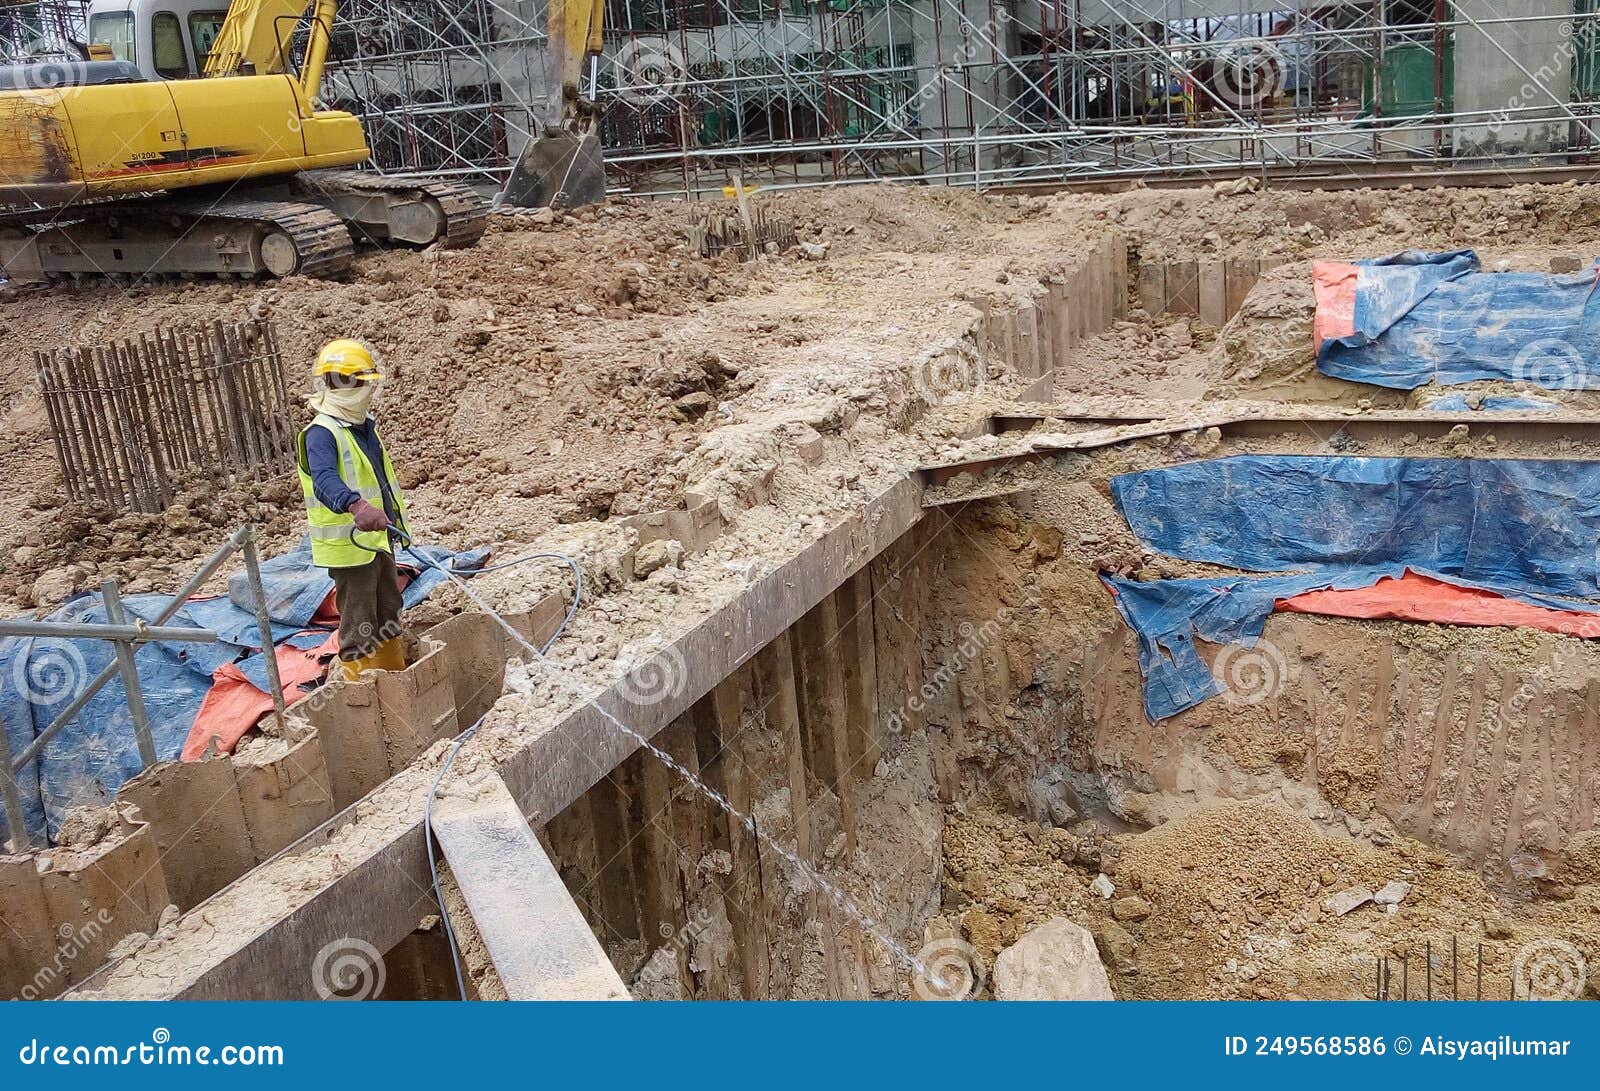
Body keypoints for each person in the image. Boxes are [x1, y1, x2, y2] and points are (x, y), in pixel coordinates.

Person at [295, 339, 409, 680]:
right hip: (349, 546)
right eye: (359, 382)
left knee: (388, 607)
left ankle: (393, 674)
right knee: (360, 619)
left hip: (377, 538)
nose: (364, 391)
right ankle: (359, 691)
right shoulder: (321, 433)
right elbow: (324, 479)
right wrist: (356, 504)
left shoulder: (362, 427)